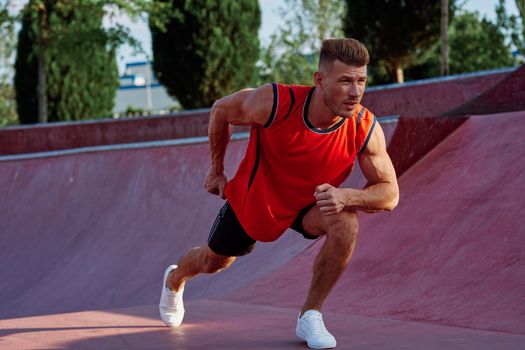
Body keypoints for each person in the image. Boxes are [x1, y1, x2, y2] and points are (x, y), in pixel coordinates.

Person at [159, 38, 399, 349]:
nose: (355, 92)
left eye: (361, 81)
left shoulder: (364, 127)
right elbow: (221, 110)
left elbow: (389, 193)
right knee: (213, 261)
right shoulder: (275, 103)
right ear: (319, 80)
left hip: (309, 205)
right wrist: (216, 170)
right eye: (345, 81)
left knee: (346, 223)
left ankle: (310, 314)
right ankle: (174, 279)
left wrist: (346, 196)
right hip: (259, 199)